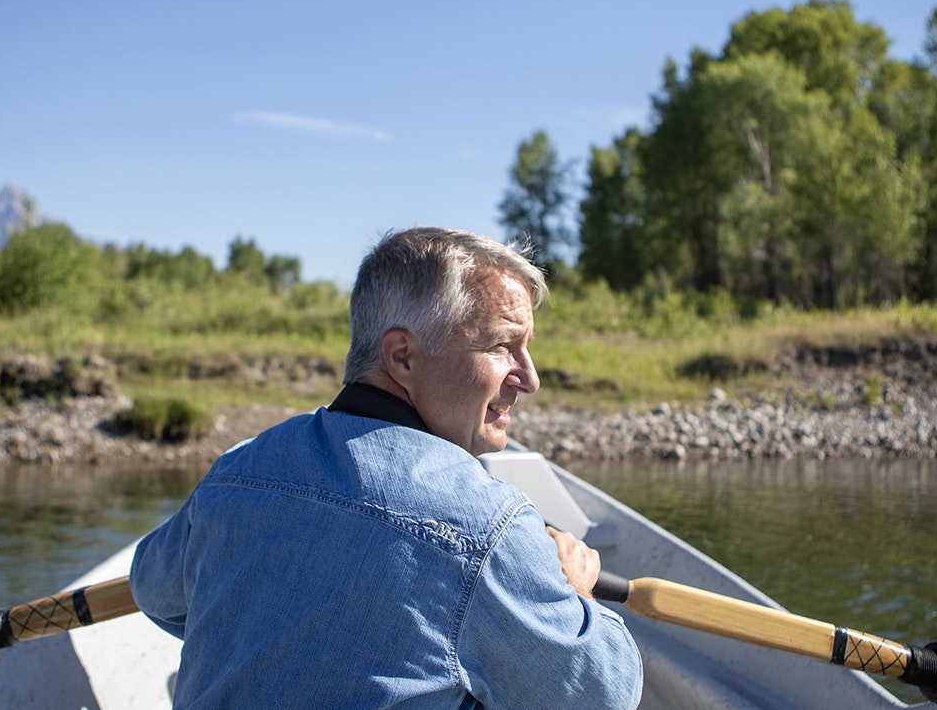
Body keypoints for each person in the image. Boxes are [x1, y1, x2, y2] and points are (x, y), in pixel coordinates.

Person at [130, 227, 644, 708]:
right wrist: (573, 596)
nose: (529, 379)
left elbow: (153, 588)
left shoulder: (237, 472)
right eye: (502, 347)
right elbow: (603, 693)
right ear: (402, 357)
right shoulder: (488, 527)